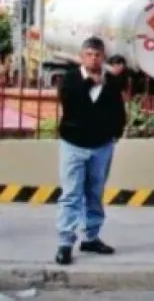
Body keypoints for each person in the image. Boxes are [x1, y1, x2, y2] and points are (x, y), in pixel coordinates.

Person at [55, 37, 128, 265]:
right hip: (74, 146)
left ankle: (91, 237)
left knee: (94, 194)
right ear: (81, 56)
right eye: (89, 54)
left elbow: (119, 110)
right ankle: (65, 243)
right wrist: (92, 83)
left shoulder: (112, 83)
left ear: (103, 57)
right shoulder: (71, 79)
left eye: (97, 55)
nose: (93, 58)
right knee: (71, 195)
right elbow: (71, 102)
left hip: (101, 147)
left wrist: (115, 134)